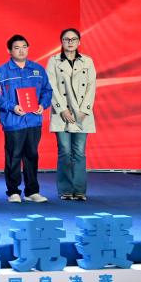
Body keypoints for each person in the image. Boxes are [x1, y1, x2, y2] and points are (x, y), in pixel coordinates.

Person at [0, 34, 53, 203]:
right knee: (13, 157)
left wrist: (42, 104)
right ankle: (13, 191)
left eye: (24, 47)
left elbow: (47, 91)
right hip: (13, 122)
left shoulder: (38, 69)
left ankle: (32, 191)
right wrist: (12, 107)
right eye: (17, 48)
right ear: (9, 50)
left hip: (33, 121)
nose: (21, 51)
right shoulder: (1, 72)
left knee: (32, 156)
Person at [48, 28, 96, 201]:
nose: (70, 42)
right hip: (62, 113)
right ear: (61, 42)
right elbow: (51, 86)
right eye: (66, 39)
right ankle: (66, 190)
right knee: (65, 151)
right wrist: (62, 109)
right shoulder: (53, 61)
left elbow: (91, 86)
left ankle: (80, 190)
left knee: (79, 152)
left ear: (79, 42)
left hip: (82, 113)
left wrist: (84, 110)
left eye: (73, 39)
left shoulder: (87, 61)